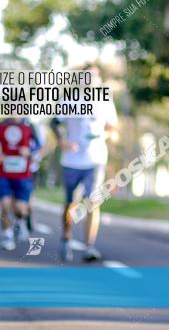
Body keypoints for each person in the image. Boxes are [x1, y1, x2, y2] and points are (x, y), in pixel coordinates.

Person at [50, 66, 118, 263]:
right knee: (70, 203)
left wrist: (105, 136)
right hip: (71, 160)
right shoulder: (69, 99)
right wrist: (62, 141)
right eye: (86, 76)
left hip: (95, 159)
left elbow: (113, 128)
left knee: (92, 202)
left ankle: (89, 246)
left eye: (94, 76)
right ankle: (66, 238)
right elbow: (54, 123)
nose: (89, 80)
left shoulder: (105, 100)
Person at [0, 115, 41, 250]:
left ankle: (21, 221)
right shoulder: (0, 126)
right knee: (5, 205)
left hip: (23, 173)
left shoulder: (29, 126)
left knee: (20, 208)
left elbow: (38, 145)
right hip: (4, 172)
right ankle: (7, 235)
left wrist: (29, 151)